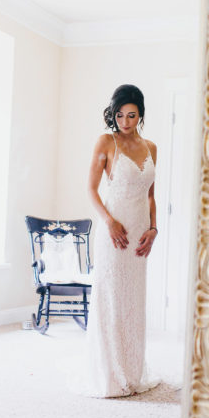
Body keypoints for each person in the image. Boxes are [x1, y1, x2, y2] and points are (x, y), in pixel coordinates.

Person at [79, 84, 159, 398]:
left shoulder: (151, 148)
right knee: (111, 298)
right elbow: (91, 189)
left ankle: (131, 371)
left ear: (141, 115)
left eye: (132, 115)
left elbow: (151, 196)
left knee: (132, 301)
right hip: (114, 233)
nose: (125, 121)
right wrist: (109, 221)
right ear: (113, 114)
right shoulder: (106, 141)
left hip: (140, 234)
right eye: (120, 115)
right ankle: (109, 374)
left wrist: (154, 229)